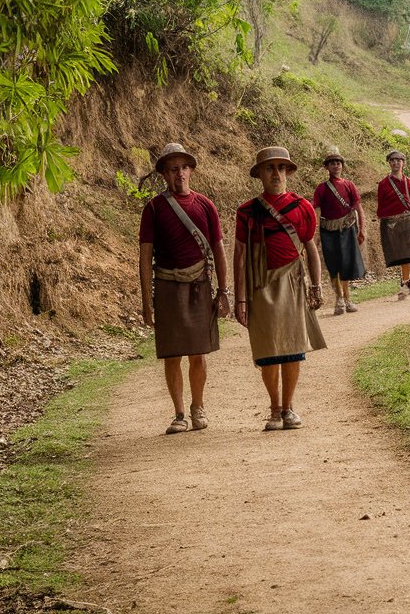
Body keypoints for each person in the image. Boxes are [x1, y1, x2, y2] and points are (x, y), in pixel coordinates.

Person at [138, 142, 230, 436]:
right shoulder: (153, 208)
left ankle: (198, 407)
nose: (180, 173)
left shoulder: (205, 205)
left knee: (198, 353)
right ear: (164, 173)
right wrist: (146, 301)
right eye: (173, 169)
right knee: (172, 354)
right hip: (166, 285)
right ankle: (179, 413)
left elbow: (218, 249)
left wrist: (224, 290)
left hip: (200, 286)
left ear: (191, 170)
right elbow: (144, 256)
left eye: (184, 167)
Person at [233, 146, 326, 431]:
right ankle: (274, 408)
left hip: (294, 283)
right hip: (260, 284)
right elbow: (239, 255)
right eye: (269, 168)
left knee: (293, 347)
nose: (275, 173)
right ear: (259, 174)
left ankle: (288, 408)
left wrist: (317, 286)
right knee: (267, 349)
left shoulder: (302, 207)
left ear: (287, 172)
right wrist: (240, 299)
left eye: (280, 168)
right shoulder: (247, 212)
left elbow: (311, 249)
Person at [312, 148, 367, 316]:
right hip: (328, 231)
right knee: (333, 264)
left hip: (347, 229)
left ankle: (347, 298)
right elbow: (313, 210)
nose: (336, 166)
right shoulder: (321, 189)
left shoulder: (349, 185)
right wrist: (313, 235)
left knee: (346, 263)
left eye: (338, 163)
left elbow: (358, 208)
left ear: (342, 166)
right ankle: (339, 299)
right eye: (332, 164)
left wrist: (362, 229)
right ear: (326, 168)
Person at [376, 150, 410, 300]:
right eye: (392, 160)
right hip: (390, 223)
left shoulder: (409, 182)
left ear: (403, 163)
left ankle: (404, 283)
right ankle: (406, 281)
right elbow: (381, 206)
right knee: (397, 254)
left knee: (407, 253)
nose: (395, 163)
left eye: (398, 160)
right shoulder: (383, 184)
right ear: (389, 163)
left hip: (407, 221)